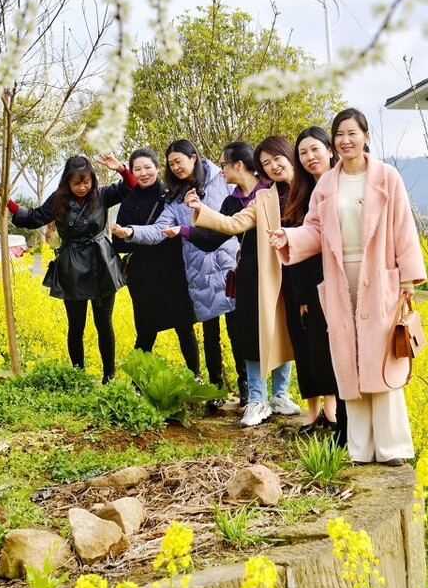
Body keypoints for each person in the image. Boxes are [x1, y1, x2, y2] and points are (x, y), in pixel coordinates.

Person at [268, 109, 426, 466]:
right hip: (340, 277)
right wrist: (287, 237)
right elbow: (314, 230)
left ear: (365, 135)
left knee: (380, 361)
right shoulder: (327, 184)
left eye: (352, 133)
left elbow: (404, 228)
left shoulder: (387, 177)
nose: (345, 140)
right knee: (349, 360)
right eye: (339, 134)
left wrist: (406, 279)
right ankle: (360, 449)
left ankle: (390, 448)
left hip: (379, 277)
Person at [187, 140, 301, 427]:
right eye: (266, 164)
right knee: (251, 332)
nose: (272, 167)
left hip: (286, 267)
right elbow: (230, 225)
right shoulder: (258, 199)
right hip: (252, 269)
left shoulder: (300, 192)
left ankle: (280, 394)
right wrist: (193, 219)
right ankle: (256, 398)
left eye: (277, 160)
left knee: (283, 329)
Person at [110, 140, 237, 397]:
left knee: (222, 331)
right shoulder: (167, 197)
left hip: (206, 268)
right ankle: (210, 389)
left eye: (178, 161)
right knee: (156, 330)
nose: (176, 167)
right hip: (168, 274)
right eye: (172, 164)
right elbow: (155, 230)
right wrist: (130, 232)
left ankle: (232, 388)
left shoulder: (209, 182)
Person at [9, 154, 135, 383]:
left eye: (86, 182)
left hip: (101, 264)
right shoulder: (58, 200)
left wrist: (121, 169)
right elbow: (34, 217)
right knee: (76, 326)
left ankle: (110, 376)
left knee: (103, 323)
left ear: (92, 180)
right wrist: (9, 204)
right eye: (76, 183)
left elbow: (130, 187)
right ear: (67, 181)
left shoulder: (101, 194)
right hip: (72, 267)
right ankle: (78, 375)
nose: (82, 187)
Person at [112, 148, 199, 372]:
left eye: (148, 167)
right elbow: (119, 245)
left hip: (174, 271)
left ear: (158, 168)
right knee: (146, 330)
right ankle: (138, 382)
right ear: (132, 172)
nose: (143, 173)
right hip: (143, 276)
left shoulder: (172, 196)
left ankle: (195, 375)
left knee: (184, 326)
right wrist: (126, 235)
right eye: (137, 169)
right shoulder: (128, 203)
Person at [282, 126, 345, 440]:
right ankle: (312, 409)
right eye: (303, 153)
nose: (309, 157)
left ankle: (333, 408)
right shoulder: (299, 193)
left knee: (332, 349)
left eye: (315, 150)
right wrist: (303, 294)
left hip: (340, 282)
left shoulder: (344, 187)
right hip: (305, 284)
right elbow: (296, 246)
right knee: (308, 347)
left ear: (330, 150)